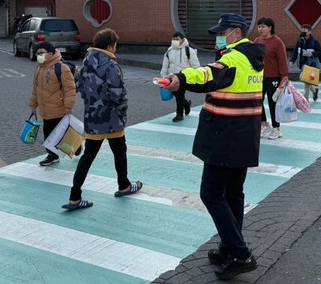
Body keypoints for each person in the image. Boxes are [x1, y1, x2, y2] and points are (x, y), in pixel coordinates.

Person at [164, 13, 264, 280]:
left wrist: (181, 79)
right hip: (244, 136)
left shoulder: (233, 57)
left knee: (210, 194)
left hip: (225, 136)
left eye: (222, 32)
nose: (219, 36)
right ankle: (229, 246)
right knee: (234, 194)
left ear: (235, 31)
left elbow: (208, 75)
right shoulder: (253, 57)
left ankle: (241, 253)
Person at [62, 28, 142, 210]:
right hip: (112, 119)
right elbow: (118, 94)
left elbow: (80, 88)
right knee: (119, 152)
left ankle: (75, 196)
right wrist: (122, 112)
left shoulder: (86, 62)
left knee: (88, 157)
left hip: (92, 118)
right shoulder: (111, 65)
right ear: (110, 46)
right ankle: (124, 185)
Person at [29, 41, 79, 166]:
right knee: (48, 134)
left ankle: (71, 148)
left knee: (60, 134)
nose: (38, 55)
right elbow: (36, 89)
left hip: (59, 109)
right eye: (37, 53)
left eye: (41, 53)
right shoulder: (39, 68)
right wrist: (33, 105)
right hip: (45, 110)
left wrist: (68, 106)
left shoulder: (61, 68)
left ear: (50, 54)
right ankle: (55, 154)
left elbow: (70, 88)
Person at [254, 17, 289, 140]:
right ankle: (264, 124)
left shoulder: (277, 43)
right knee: (257, 101)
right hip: (259, 77)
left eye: (263, 26)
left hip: (274, 77)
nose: (260, 29)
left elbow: (282, 61)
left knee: (272, 103)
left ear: (270, 28)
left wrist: (284, 78)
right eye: (259, 26)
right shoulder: (257, 41)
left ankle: (276, 128)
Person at [160, 32, 200, 122]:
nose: (175, 41)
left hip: (183, 77)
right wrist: (163, 77)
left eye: (177, 39)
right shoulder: (169, 51)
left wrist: (197, 76)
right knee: (176, 93)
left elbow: (196, 65)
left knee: (179, 94)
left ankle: (179, 114)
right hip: (171, 76)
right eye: (173, 39)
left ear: (182, 39)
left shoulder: (189, 51)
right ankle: (186, 104)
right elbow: (165, 65)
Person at [289, 24, 321, 102]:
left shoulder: (315, 41)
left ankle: (306, 98)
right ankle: (314, 91)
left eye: (305, 31)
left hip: (312, 64)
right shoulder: (300, 41)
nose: (303, 33)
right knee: (305, 79)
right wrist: (292, 61)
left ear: (310, 32)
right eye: (302, 31)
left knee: (307, 80)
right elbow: (295, 51)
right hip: (303, 63)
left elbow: (320, 52)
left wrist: (312, 54)